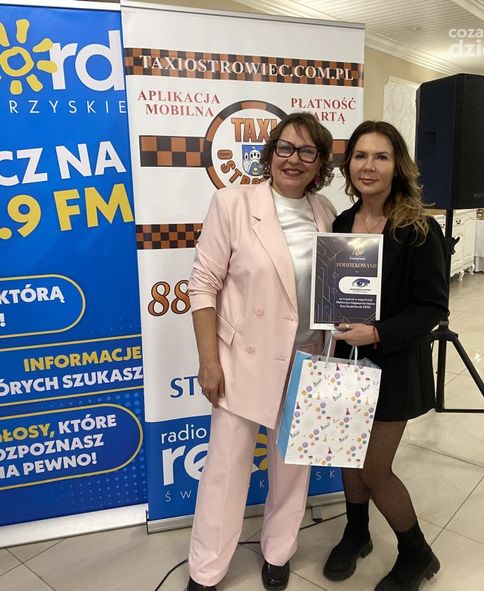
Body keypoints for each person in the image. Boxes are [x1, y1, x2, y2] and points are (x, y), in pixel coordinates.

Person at [187, 112, 336, 591]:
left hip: (308, 358)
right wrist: (209, 361)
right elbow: (203, 286)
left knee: (293, 468)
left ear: (320, 163)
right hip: (242, 361)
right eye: (286, 148)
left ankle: (278, 552)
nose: (294, 159)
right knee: (225, 470)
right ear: (270, 154)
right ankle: (206, 569)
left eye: (308, 151)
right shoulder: (232, 203)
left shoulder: (326, 211)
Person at [322, 120, 448, 591]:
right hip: (346, 360)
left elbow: (432, 307)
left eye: (381, 156)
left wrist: (376, 332)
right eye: (360, 156)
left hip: (393, 363)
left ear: (398, 166)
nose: (368, 166)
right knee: (347, 453)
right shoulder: (341, 223)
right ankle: (357, 533)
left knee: (374, 468)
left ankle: (417, 553)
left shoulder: (418, 229)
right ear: (348, 165)